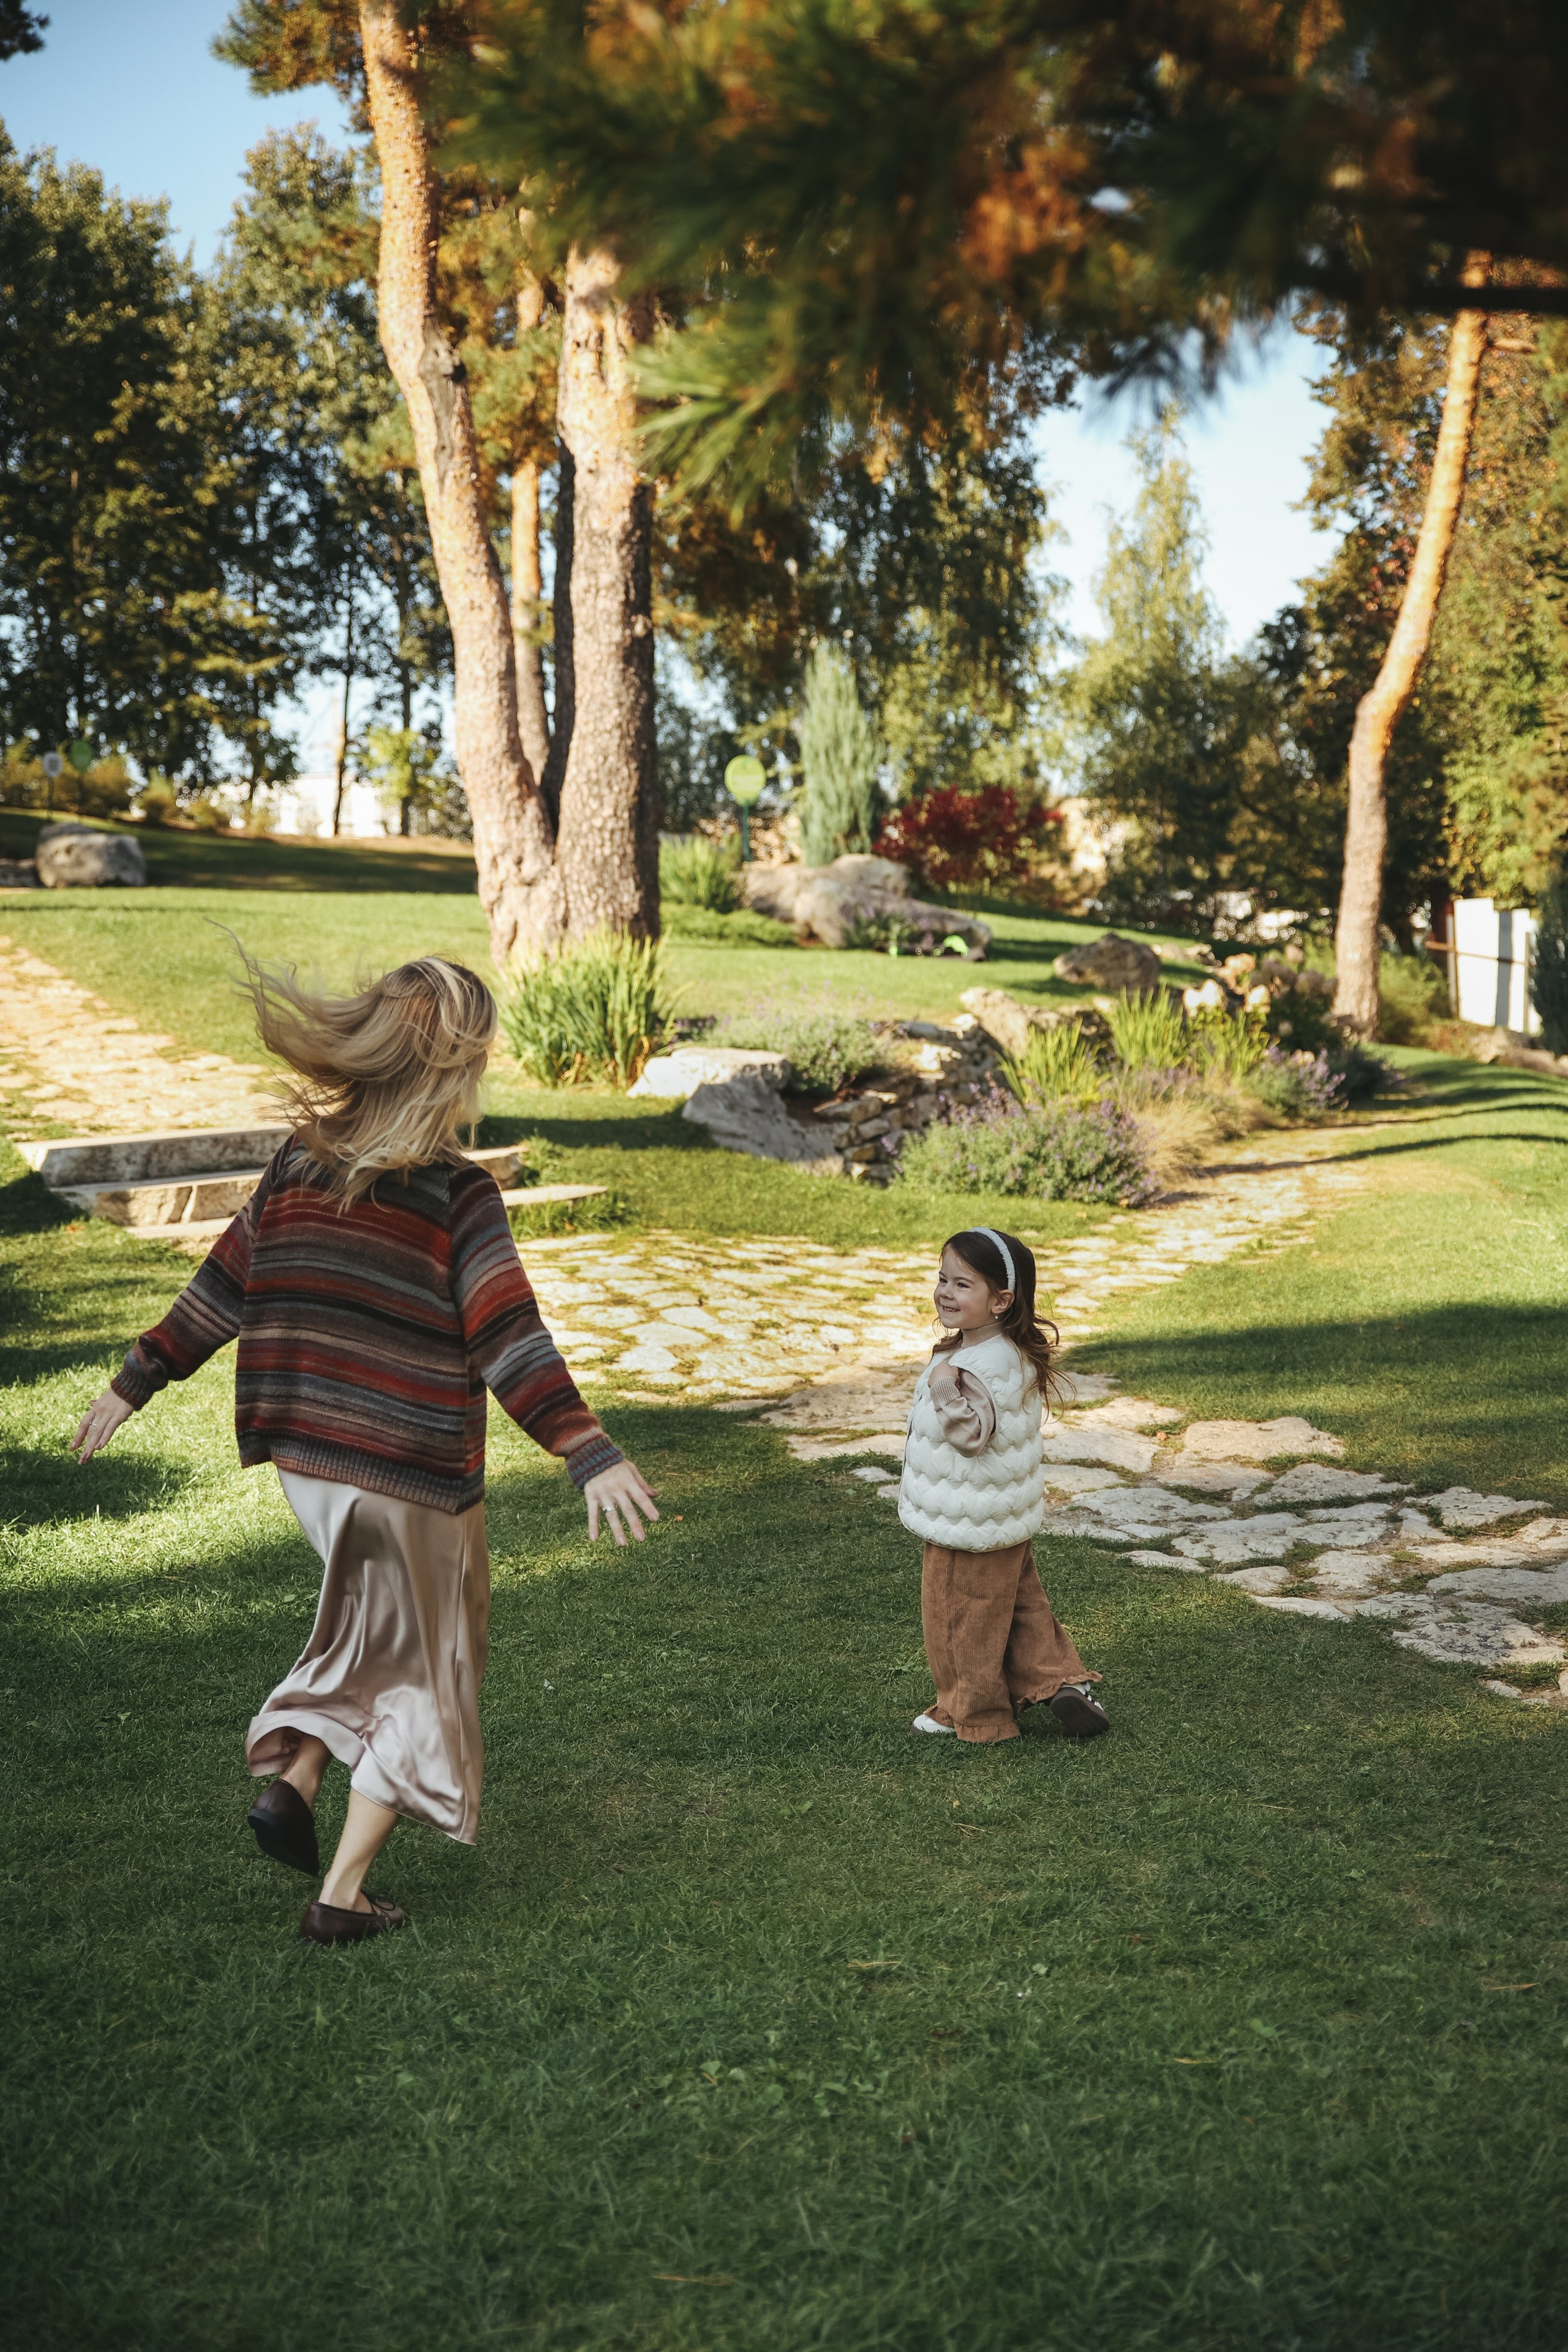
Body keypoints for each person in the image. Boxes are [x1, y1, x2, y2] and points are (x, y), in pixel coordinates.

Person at [71, 953, 657, 1944]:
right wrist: (587, 1448)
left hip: (308, 1465)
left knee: (377, 1636)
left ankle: (299, 1773)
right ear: (453, 1068)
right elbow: (509, 1335)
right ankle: (340, 1895)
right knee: (431, 1672)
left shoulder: (298, 1165)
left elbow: (219, 1288)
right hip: (404, 1474)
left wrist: (136, 1381)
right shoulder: (455, 1195)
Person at [898, 1226, 1109, 1745]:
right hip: (1004, 1517)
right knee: (1020, 1608)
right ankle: (1063, 1684)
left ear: (1001, 1300)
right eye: (942, 1279)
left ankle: (974, 1716)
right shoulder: (1009, 1351)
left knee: (957, 1619)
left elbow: (971, 1437)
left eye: (962, 1285)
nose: (945, 1292)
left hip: (965, 1521)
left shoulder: (970, 1367)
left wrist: (943, 1382)